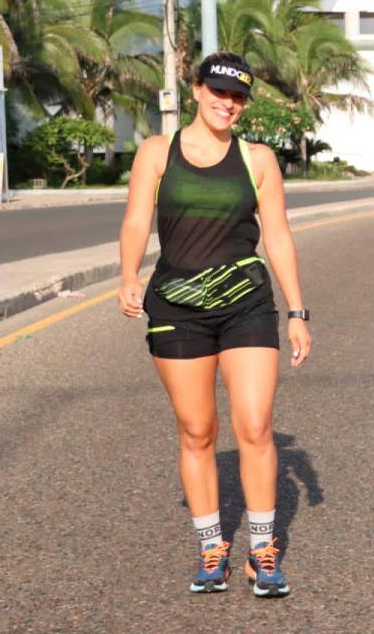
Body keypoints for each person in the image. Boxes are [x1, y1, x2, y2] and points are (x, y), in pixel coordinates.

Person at [118, 51, 312, 598]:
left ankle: (262, 549)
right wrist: (128, 275)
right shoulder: (158, 153)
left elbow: (276, 237)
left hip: (246, 303)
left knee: (253, 425)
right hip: (176, 306)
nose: (229, 103)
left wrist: (296, 311)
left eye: (238, 96)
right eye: (220, 92)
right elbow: (136, 220)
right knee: (198, 431)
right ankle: (211, 547)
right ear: (197, 90)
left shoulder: (258, 160)